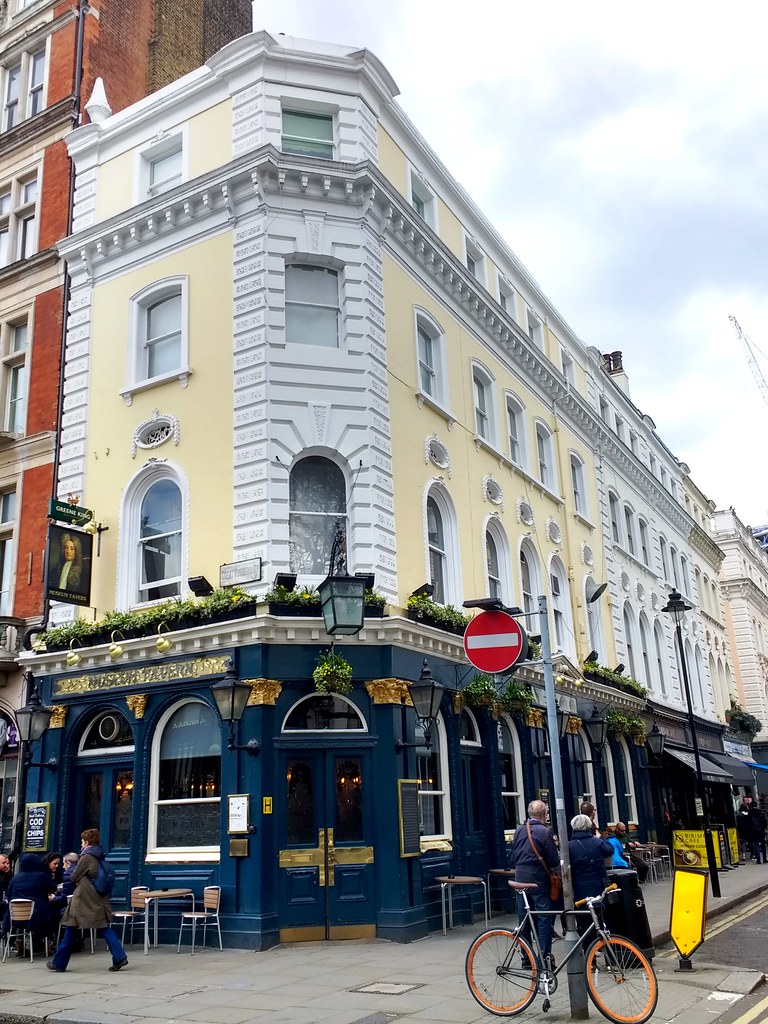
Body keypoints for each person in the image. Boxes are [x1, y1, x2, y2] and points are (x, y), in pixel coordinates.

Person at [47, 828, 128, 973]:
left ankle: (59, 963)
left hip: (84, 899)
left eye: (82, 841)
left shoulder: (87, 857)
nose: (81, 844)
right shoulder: (99, 855)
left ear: (87, 842)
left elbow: (73, 877)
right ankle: (119, 956)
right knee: (102, 927)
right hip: (96, 898)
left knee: (71, 926)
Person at [509, 799, 560, 969]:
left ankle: (526, 958)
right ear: (544, 814)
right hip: (538, 881)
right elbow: (553, 859)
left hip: (520, 879)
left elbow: (513, 855)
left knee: (524, 919)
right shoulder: (544, 832)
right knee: (544, 919)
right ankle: (543, 958)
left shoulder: (519, 830)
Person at [2, 853, 56, 953]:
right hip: (37, 916)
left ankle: (19, 943)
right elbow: (53, 888)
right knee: (52, 914)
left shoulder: (15, 878)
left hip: (15, 917)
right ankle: (46, 944)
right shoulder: (41, 876)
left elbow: (9, 896)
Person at [569, 814, 613, 935]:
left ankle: (588, 944)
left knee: (584, 921)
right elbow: (610, 850)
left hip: (580, 888)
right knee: (601, 918)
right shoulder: (597, 843)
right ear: (589, 826)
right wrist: (601, 838)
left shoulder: (570, 846)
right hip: (598, 886)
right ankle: (602, 942)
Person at [747, 800, 767, 864]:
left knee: (756, 844)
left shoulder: (750, 813)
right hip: (761, 831)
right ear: (756, 805)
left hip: (753, 831)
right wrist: (764, 828)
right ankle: (764, 858)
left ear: (751, 806)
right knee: (763, 844)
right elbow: (765, 821)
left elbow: (749, 823)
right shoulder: (761, 812)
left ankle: (758, 859)